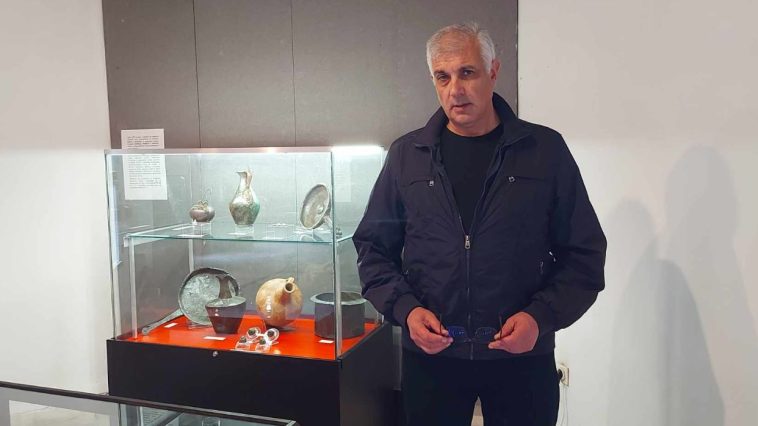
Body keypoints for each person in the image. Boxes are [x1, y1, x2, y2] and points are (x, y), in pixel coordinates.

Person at [353, 22, 607, 426]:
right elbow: (373, 250)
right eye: (443, 76)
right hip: (432, 361)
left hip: (522, 359)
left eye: (467, 72)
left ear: (493, 71)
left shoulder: (544, 151)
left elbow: (584, 255)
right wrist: (407, 310)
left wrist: (539, 318)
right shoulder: (407, 156)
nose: (455, 89)